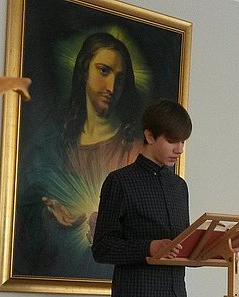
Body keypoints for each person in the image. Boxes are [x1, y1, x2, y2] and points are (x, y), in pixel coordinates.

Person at [91, 98, 192, 297]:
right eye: (172, 141)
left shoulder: (179, 188)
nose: (179, 149)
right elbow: (102, 248)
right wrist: (148, 247)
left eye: (183, 142)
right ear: (149, 136)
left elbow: (182, 245)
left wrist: (214, 247)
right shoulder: (119, 182)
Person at [14, 32, 143, 279]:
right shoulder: (53, 140)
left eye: (120, 79)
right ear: (84, 71)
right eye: (103, 71)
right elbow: (25, 204)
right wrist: (48, 213)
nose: (111, 87)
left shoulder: (135, 148)